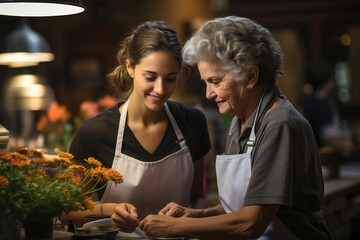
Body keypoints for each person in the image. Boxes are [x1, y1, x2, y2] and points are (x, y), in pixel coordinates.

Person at [139, 16, 331, 239]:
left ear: (250, 76)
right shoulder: (240, 120)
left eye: (216, 81)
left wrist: (173, 228)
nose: (209, 94)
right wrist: (195, 215)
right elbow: (238, 208)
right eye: (206, 83)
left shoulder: (279, 123)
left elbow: (252, 221)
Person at [62, 21, 211, 237]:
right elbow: (68, 210)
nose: (160, 89)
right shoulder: (94, 132)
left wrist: (188, 214)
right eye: (150, 77)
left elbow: (197, 196)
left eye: (170, 79)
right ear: (130, 67)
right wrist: (109, 211)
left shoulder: (192, 122)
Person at [303, 62, 343, 150]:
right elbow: (328, 137)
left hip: (313, 151)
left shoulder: (309, 100)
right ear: (326, 81)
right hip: (325, 153)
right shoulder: (322, 103)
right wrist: (345, 147)